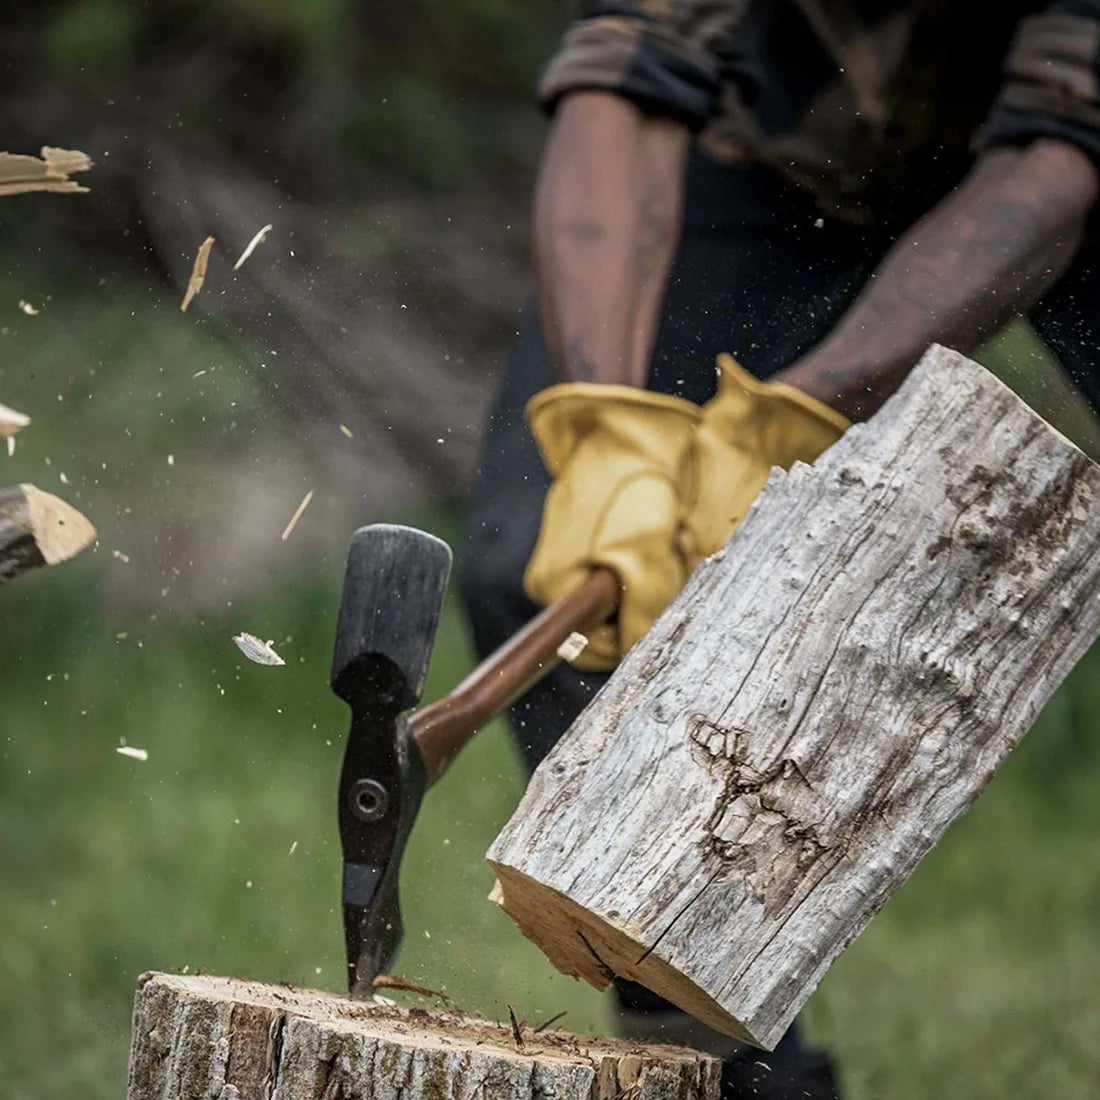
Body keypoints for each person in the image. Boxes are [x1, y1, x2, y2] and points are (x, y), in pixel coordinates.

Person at [460, 2, 1100, 1096]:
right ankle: (718, 1070)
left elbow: (1058, 144)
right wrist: (611, 429)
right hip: (786, 140)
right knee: (531, 558)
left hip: (1065, 161)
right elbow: (626, 65)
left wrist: (794, 411)